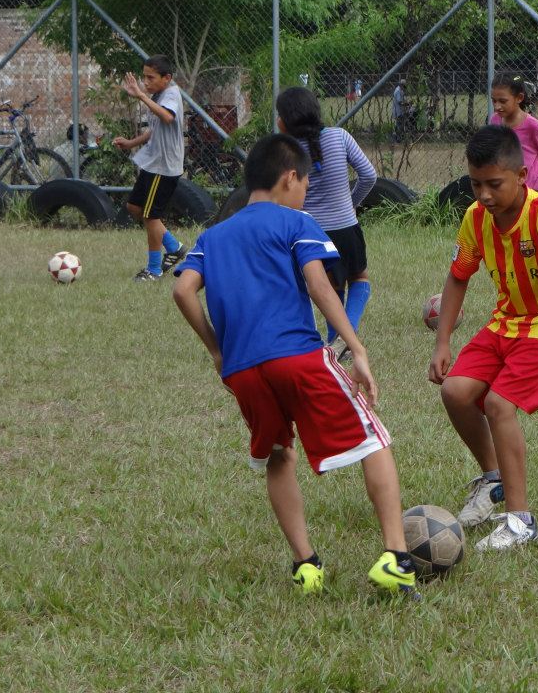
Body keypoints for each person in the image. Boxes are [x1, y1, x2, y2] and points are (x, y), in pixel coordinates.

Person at [172, 133, 418, 599]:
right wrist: (355, 346)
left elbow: (183, 290)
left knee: (279, 453)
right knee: (373, 438)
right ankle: (396, 557)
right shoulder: (297, 222)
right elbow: (319, 285)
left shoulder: (214, 235)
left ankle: (306, 565)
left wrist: (216, 350)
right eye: (306, 182)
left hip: (243, 370)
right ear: (290, 178)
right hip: (297, 357)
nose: (306, 191)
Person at [428, 125, 538, 551]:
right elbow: (457, 277)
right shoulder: (475, 218)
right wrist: (442, 342)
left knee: (498, 404)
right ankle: (493, 480)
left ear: (522, 176)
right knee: (455, 392)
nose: (483, 195)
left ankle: (521, 522)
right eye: (475, 184)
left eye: (494, 184)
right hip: (506, 323)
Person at [275, 87, 378, 359]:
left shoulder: (286, 151)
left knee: (331, 288)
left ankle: (337, 341)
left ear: (284, 121)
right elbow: (369, 175)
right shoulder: (339, 136)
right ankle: (346, 336)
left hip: (310, 234)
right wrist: (350, 203)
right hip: (346, 226)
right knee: (359, 279)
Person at [113, 54, 187, 282]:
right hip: (153, 163)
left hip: (164, 168)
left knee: (151, 216)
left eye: (151, 77)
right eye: (144, 77)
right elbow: (154, 129)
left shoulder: (171, 94)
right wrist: (131, 143)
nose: (146, 82)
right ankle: (174, 248)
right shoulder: (157, 94)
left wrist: (142, 96)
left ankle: (154, 269)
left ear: (167, 78)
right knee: (134, 207)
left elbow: (166, 117)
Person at [489, 72, 538, 196]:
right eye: (494, 101)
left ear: (519, 98)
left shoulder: (532, 126)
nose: (497, 106)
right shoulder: (494, 121)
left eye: (502, 101)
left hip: (533, 194)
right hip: (507, 193)